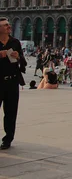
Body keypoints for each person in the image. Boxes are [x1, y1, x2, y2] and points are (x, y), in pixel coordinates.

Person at [0, 18, 27, 150]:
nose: (8, 27)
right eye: (5, 25)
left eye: (9, 25)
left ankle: (8, 138)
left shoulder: (15, 42)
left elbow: (23, 62)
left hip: (12, 82)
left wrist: (18, 57)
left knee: (11, 112)